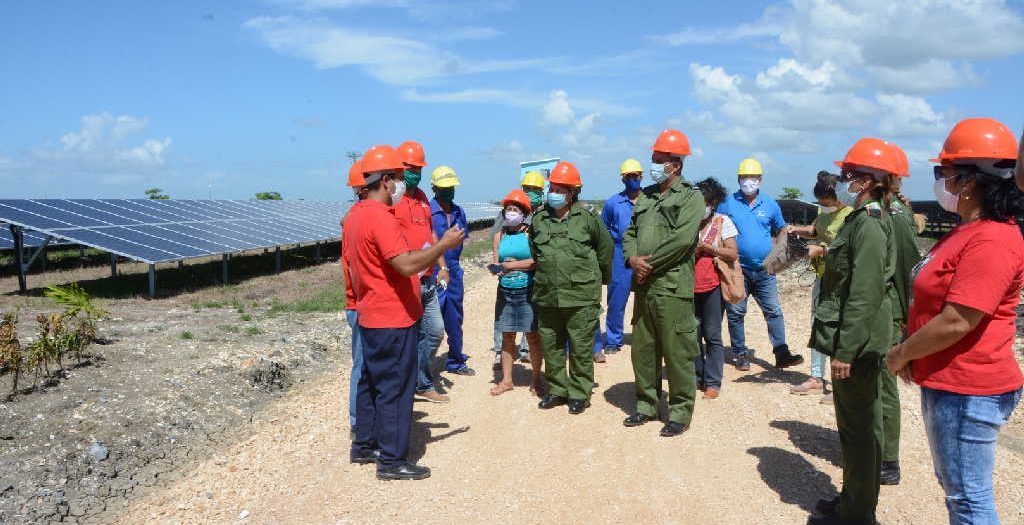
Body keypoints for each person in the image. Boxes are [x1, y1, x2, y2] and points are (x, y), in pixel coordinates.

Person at [886, 118, 1023, 525]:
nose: (940, 182)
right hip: (951, 383)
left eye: (943, 172)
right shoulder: (969, 231)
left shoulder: (993, 239)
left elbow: (958, 320)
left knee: (968, 497)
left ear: (967, 181)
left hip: (969, 388)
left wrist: (900, 354)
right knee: (958, 488)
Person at [345, 144, 465, 481]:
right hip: (392, 316)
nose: (402, 184)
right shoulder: (380, 217)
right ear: (385, 180)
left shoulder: (355, 216)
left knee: (371, 381)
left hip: (370, 312)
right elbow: (405, 264)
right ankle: (393, 461)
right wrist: (443, 246)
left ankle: (365, 445)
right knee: (396, 389)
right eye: (398, 177)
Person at [808, 138, 898, 525]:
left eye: (847, 175)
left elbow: (864, 293)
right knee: (852, 427)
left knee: (861, 431)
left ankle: (859, 513)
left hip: (858, 346)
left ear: (864, 181)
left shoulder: (871, 225)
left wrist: (845, 350)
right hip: (853, 340)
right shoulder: (861, 220)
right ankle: (852, 500)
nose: (841, 180)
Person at [622, 129, 704, 437]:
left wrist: (649, 264)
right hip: (644, 286)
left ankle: (680, 411)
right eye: (653, 159)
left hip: (671, 286)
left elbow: (683, 240)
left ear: (676, 165)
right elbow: (630, 234)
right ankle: (646, 405)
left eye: (659, 160)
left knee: (677, 351)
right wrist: (633, 260)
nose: (654, 165)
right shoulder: (648, 197)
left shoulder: (691, 197)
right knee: (643, 349)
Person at [531, 161, 613, 415]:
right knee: (552, 344)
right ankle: (557, 389)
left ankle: (579, 392)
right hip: (547, 295)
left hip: (581, 296)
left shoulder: (588, 219)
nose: (553, 192)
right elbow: (536, 251)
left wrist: (595, 282)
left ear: (572, 192)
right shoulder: (539, 219)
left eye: (559, 188)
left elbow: (605, 250)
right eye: (551, 187)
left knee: (580, 346)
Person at [717, 158, 803, 371]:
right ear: (738, 179)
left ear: (760, 180)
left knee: (773, 311)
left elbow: (781, 229)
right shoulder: (727, 203)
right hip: (738, 269)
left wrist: (780, 254)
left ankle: (781, 352)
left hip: (765, 270)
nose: (749, 181)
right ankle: (740, 353)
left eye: (753, 177)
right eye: (745, 177)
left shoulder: (770, 204)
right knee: (736, 312)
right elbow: (717, 228)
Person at [876, 142, 922, 486]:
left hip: (887, 312)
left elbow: (907, 269)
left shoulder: (896, 215)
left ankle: (887, 458)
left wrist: (906, 322)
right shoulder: (872, 210)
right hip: (867, 312)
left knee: (882, 387)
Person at [789, 172, 853, 403]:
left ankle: (841, 384)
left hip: (843, 279)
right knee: (817, 322)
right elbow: (816, 231)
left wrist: (823, 251)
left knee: (839, 326)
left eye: (826, 202)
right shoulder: (823, 212)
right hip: (822, 275)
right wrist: (795, 229)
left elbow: (848, 248)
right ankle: (817, 377)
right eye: (820, 203)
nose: (823, 206)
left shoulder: (851, 215)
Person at [394, 140, 449, 403]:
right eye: (409, 167)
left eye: (418, 168)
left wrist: (442, 265)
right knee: (409, 336)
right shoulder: (392, 199)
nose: (414, 173)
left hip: (427, 278)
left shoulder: (423, 198)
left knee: (436, 331)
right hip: (407, 279)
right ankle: (417, 384)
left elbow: (430, 233)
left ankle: (420, 381)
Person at [491, 170, 547, 368]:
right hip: (506, 284)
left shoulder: (544, 214)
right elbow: (496, 237)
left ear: (542, 191)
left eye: (535, 189)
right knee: (505, 325)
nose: (531, 192)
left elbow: (538, 256)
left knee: (531, 325)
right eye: (528, 188)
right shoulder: (505, 215)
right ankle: (500, 352)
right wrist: (498, 263)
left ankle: (526, 353)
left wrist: (515, 264)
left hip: (530, 281)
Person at [692, 177, 738, 400]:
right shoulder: (687, 221)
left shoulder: (722, 221)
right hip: (688, 286)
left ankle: (713, 382)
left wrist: (709, 248)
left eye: (706, 202)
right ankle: (696, 375)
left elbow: (732, 253)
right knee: (692, 334)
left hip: (712, 287)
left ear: (713, 202)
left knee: (712, 334)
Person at [429, 165, 474, 377]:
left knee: (455, 317)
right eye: (445, 187)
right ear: (434, 188)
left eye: (452, 187)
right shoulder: (427, 212)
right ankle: (423, 368)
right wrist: (440, 266)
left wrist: (451, 266)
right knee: (430, 322)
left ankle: (456, 360)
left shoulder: (459, 212)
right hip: (431, 272)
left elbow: (461, 241)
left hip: (453, 272)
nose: (449, 191)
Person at [597, 158, 642, 359]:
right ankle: (614, 339)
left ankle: (647, 336)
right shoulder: (613, 203)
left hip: (646, 252)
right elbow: (603, 229)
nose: (633, 179)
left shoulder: (650, 199)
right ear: (623, 179)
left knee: (649, 297)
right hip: (619, 254)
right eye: (629, 176)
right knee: (617, 298)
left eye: (636, 175)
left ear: (642, 176)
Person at [342, 159, 367, 435]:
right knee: (362, 365)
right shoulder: (356, 219)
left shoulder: (356, 216)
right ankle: (358, 424)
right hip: (361, 304)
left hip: (362, 303)